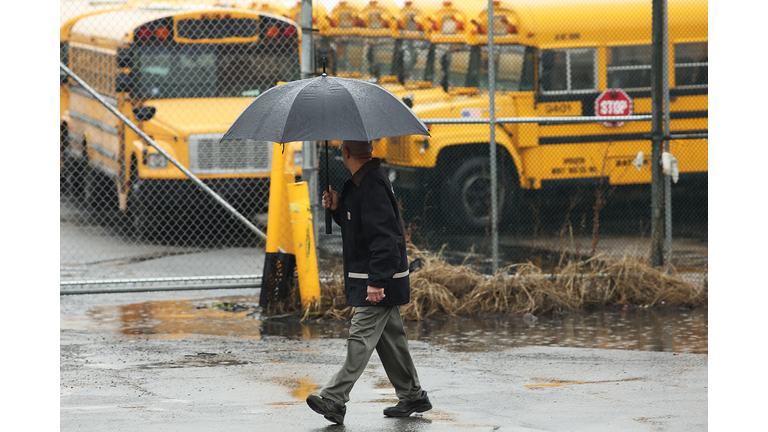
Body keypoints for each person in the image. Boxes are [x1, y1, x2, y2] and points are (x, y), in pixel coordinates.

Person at [306, 140, 432, 425]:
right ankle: (413, 396)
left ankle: (334, 398)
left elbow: (385, 240)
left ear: (346, 153)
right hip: (379, 277)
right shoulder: (364, 183)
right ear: (370, 150)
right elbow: (361, 228)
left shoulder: (372, 186)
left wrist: (377, 282)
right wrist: (338, 207)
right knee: (391, 340)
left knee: (361, 337)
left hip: (378, 280)